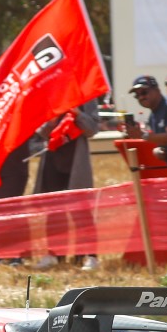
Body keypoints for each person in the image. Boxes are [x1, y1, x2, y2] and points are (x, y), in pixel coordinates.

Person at [33, 100, 100, 272]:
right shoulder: (52, 95)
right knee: (53, 212)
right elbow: (41, 132)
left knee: (81, 213)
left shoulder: (86, 96)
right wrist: (52, 121)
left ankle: (89, 256)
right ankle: (54, 254)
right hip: (53, 160)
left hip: (75, 162)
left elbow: (92, 129)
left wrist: (77, 113)